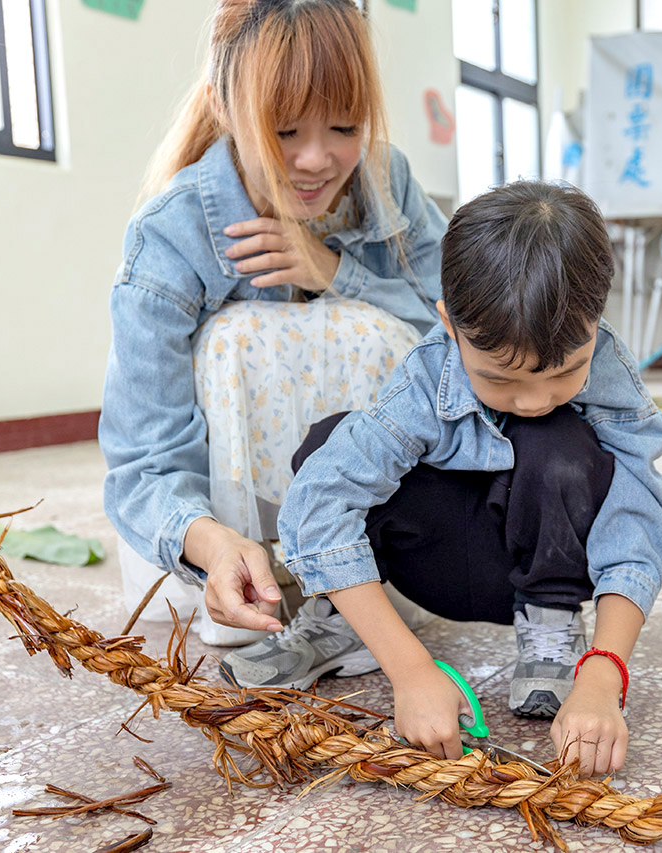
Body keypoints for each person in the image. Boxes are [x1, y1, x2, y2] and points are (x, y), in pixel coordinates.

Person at [221, 182, 662, 777]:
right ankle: (344, 623)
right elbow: (318, 507)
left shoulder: (613, 377)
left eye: (567, 372)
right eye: (500, 379)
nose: (535, 398)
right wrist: (410, 670)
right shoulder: (424, 381)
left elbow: (636, 522)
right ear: (449, 325)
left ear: (596, 321)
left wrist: (603, 674)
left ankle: (551, 627)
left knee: (559, 441)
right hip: (431, 566)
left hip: (536, 571)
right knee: (329, 444)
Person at [99, 0, 447, 647]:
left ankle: (364, 578)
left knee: (371, 325)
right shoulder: (171, 237)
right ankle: (266, 574)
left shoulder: (384, 178)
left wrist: (337, 271)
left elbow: (464, 326)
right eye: (285, 132)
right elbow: (142, 457)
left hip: (372, 520)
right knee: (239, 336)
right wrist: (212, 542)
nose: (317, 159)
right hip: (216, 540)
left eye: (345, 126)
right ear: (224, 108)